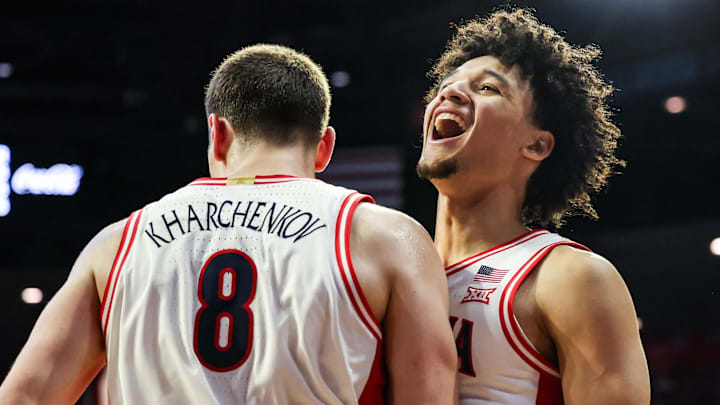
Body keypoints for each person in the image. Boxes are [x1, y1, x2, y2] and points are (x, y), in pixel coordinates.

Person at [0, 44, 457, 404]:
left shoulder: (117, 243)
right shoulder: (387, 238)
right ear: (325, 147)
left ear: (217, 134)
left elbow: (24, 396)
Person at [416, 8, 650, 404]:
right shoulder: (390, 266)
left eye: (488, 88)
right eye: (447, 84)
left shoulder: (569, 277)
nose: (448, 94)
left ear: (537, 144)